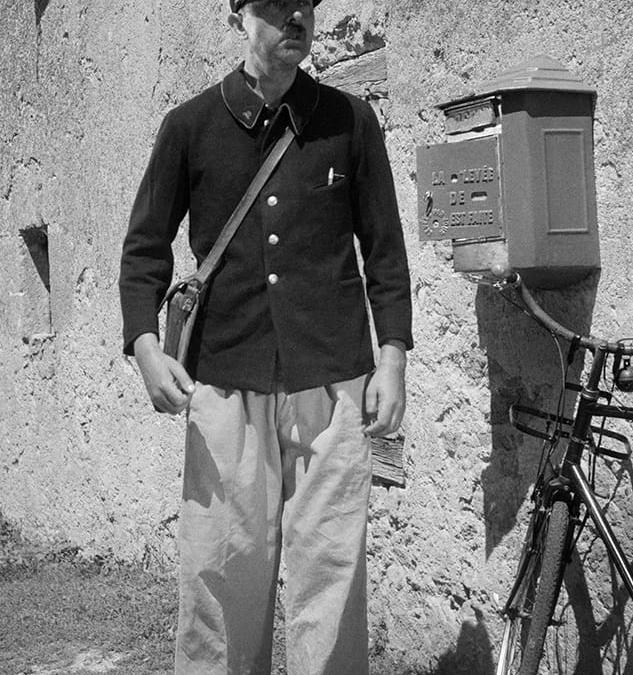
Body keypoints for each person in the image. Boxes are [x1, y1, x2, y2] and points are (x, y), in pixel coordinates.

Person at [118, 0, 412, 672]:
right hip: (225, 381)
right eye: (276, 6)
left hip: (333, 382)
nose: (295, 19)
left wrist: (392, 356)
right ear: (238, 16)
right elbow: (144, 250)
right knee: (220, 575)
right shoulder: (189, 127)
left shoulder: (349, 122)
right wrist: (144, 346)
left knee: (331, 576)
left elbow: (386, 250)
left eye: (304, 5)